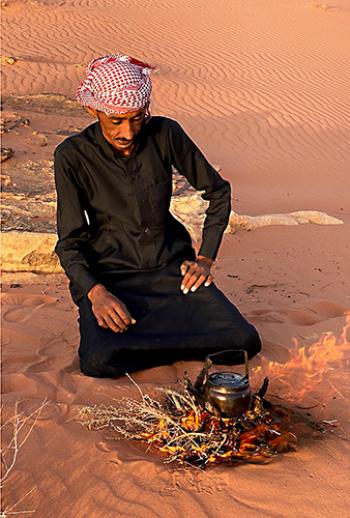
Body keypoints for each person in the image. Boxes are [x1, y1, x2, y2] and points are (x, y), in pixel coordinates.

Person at [54, 54, 261, 378]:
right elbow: (69, 241)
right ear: (93, 110)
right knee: (99, 360)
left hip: (171, 270)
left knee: (244, 341)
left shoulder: (165, 133)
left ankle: (154, 344)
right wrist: (96, 293)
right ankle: (170, 343)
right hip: (113, 277)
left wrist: (205, 259)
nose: (128, 131)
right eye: (116, 121)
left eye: (137, 118)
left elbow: (217, 192)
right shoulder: (71, 155)